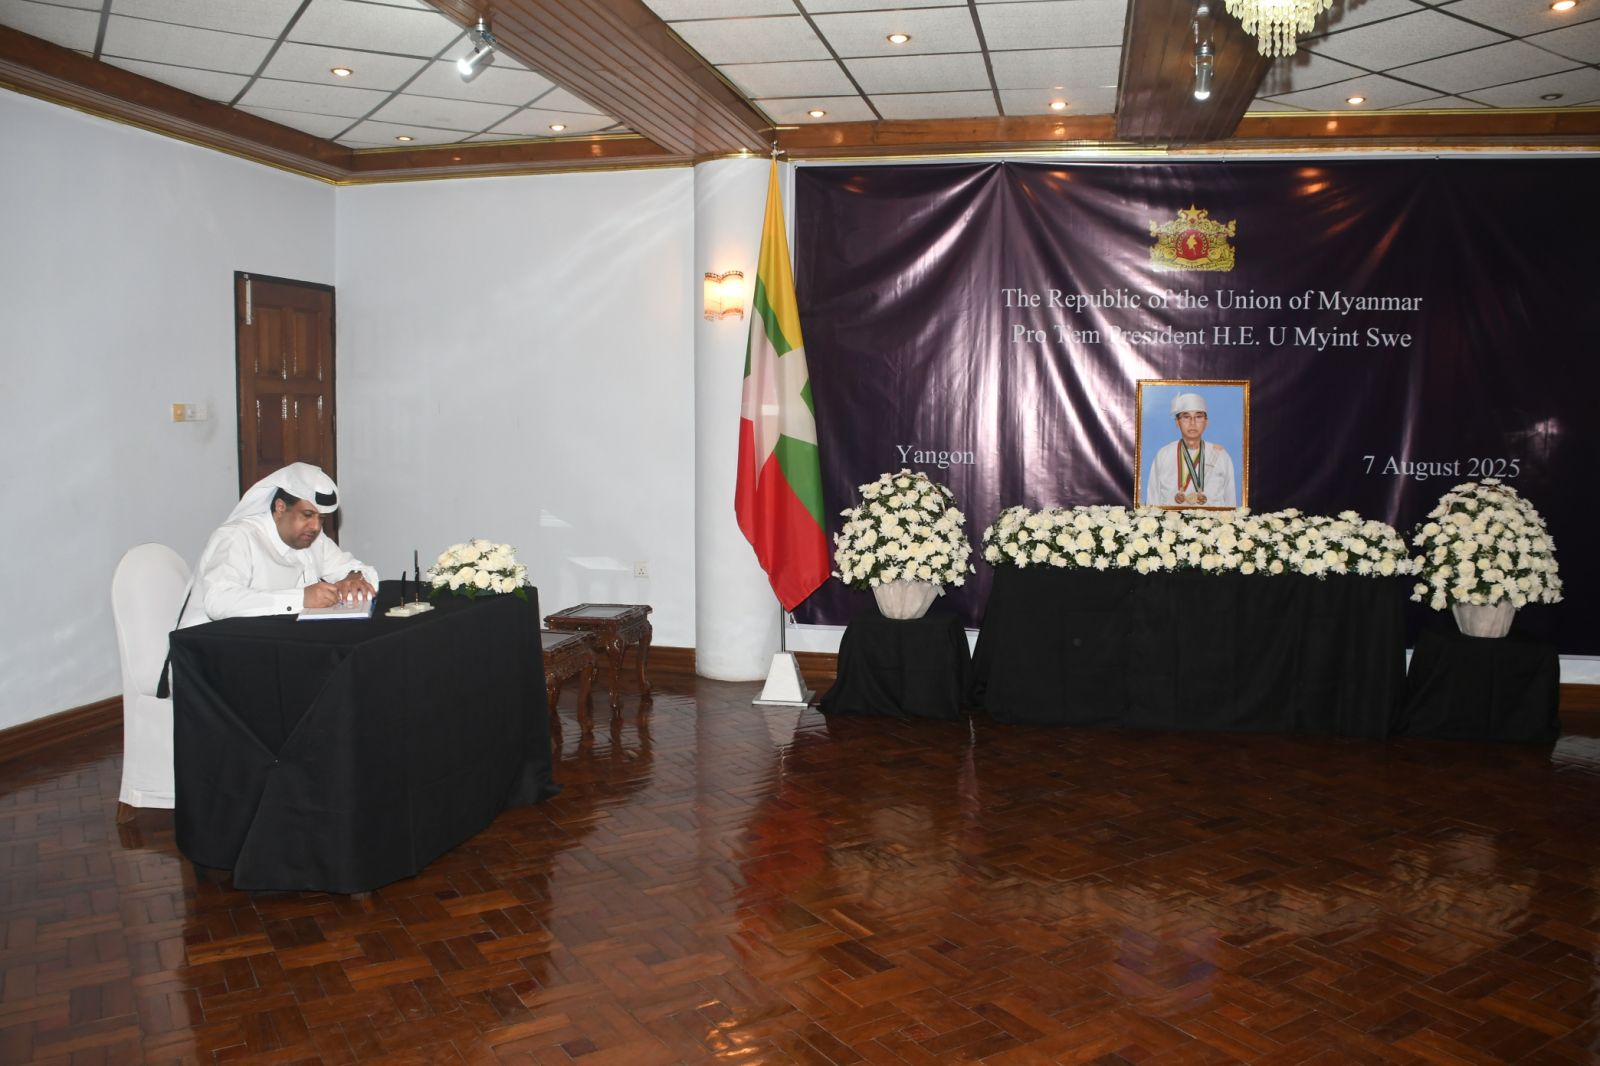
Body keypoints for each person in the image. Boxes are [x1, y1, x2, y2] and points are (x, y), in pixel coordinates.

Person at [178, 462, 379, 626]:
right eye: (307, 515)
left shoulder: (312, 537)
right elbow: (219, 601)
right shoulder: (237, 537)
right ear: (280, 507)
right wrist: (301, 598)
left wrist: (354, 578)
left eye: (322, 519)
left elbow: (355, 568)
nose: (316, 526)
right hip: (212, 650)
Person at [1145, 392, 1237, 507]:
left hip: (1212, 518)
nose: (1192, 423)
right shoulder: (1164, 454)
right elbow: (1152, 500)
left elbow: (1230, 501)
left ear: (1206, 422)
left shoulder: (1220, 455)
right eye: (1186, 417)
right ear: (1177, 422)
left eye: (1198, 417)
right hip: (1171, 518)